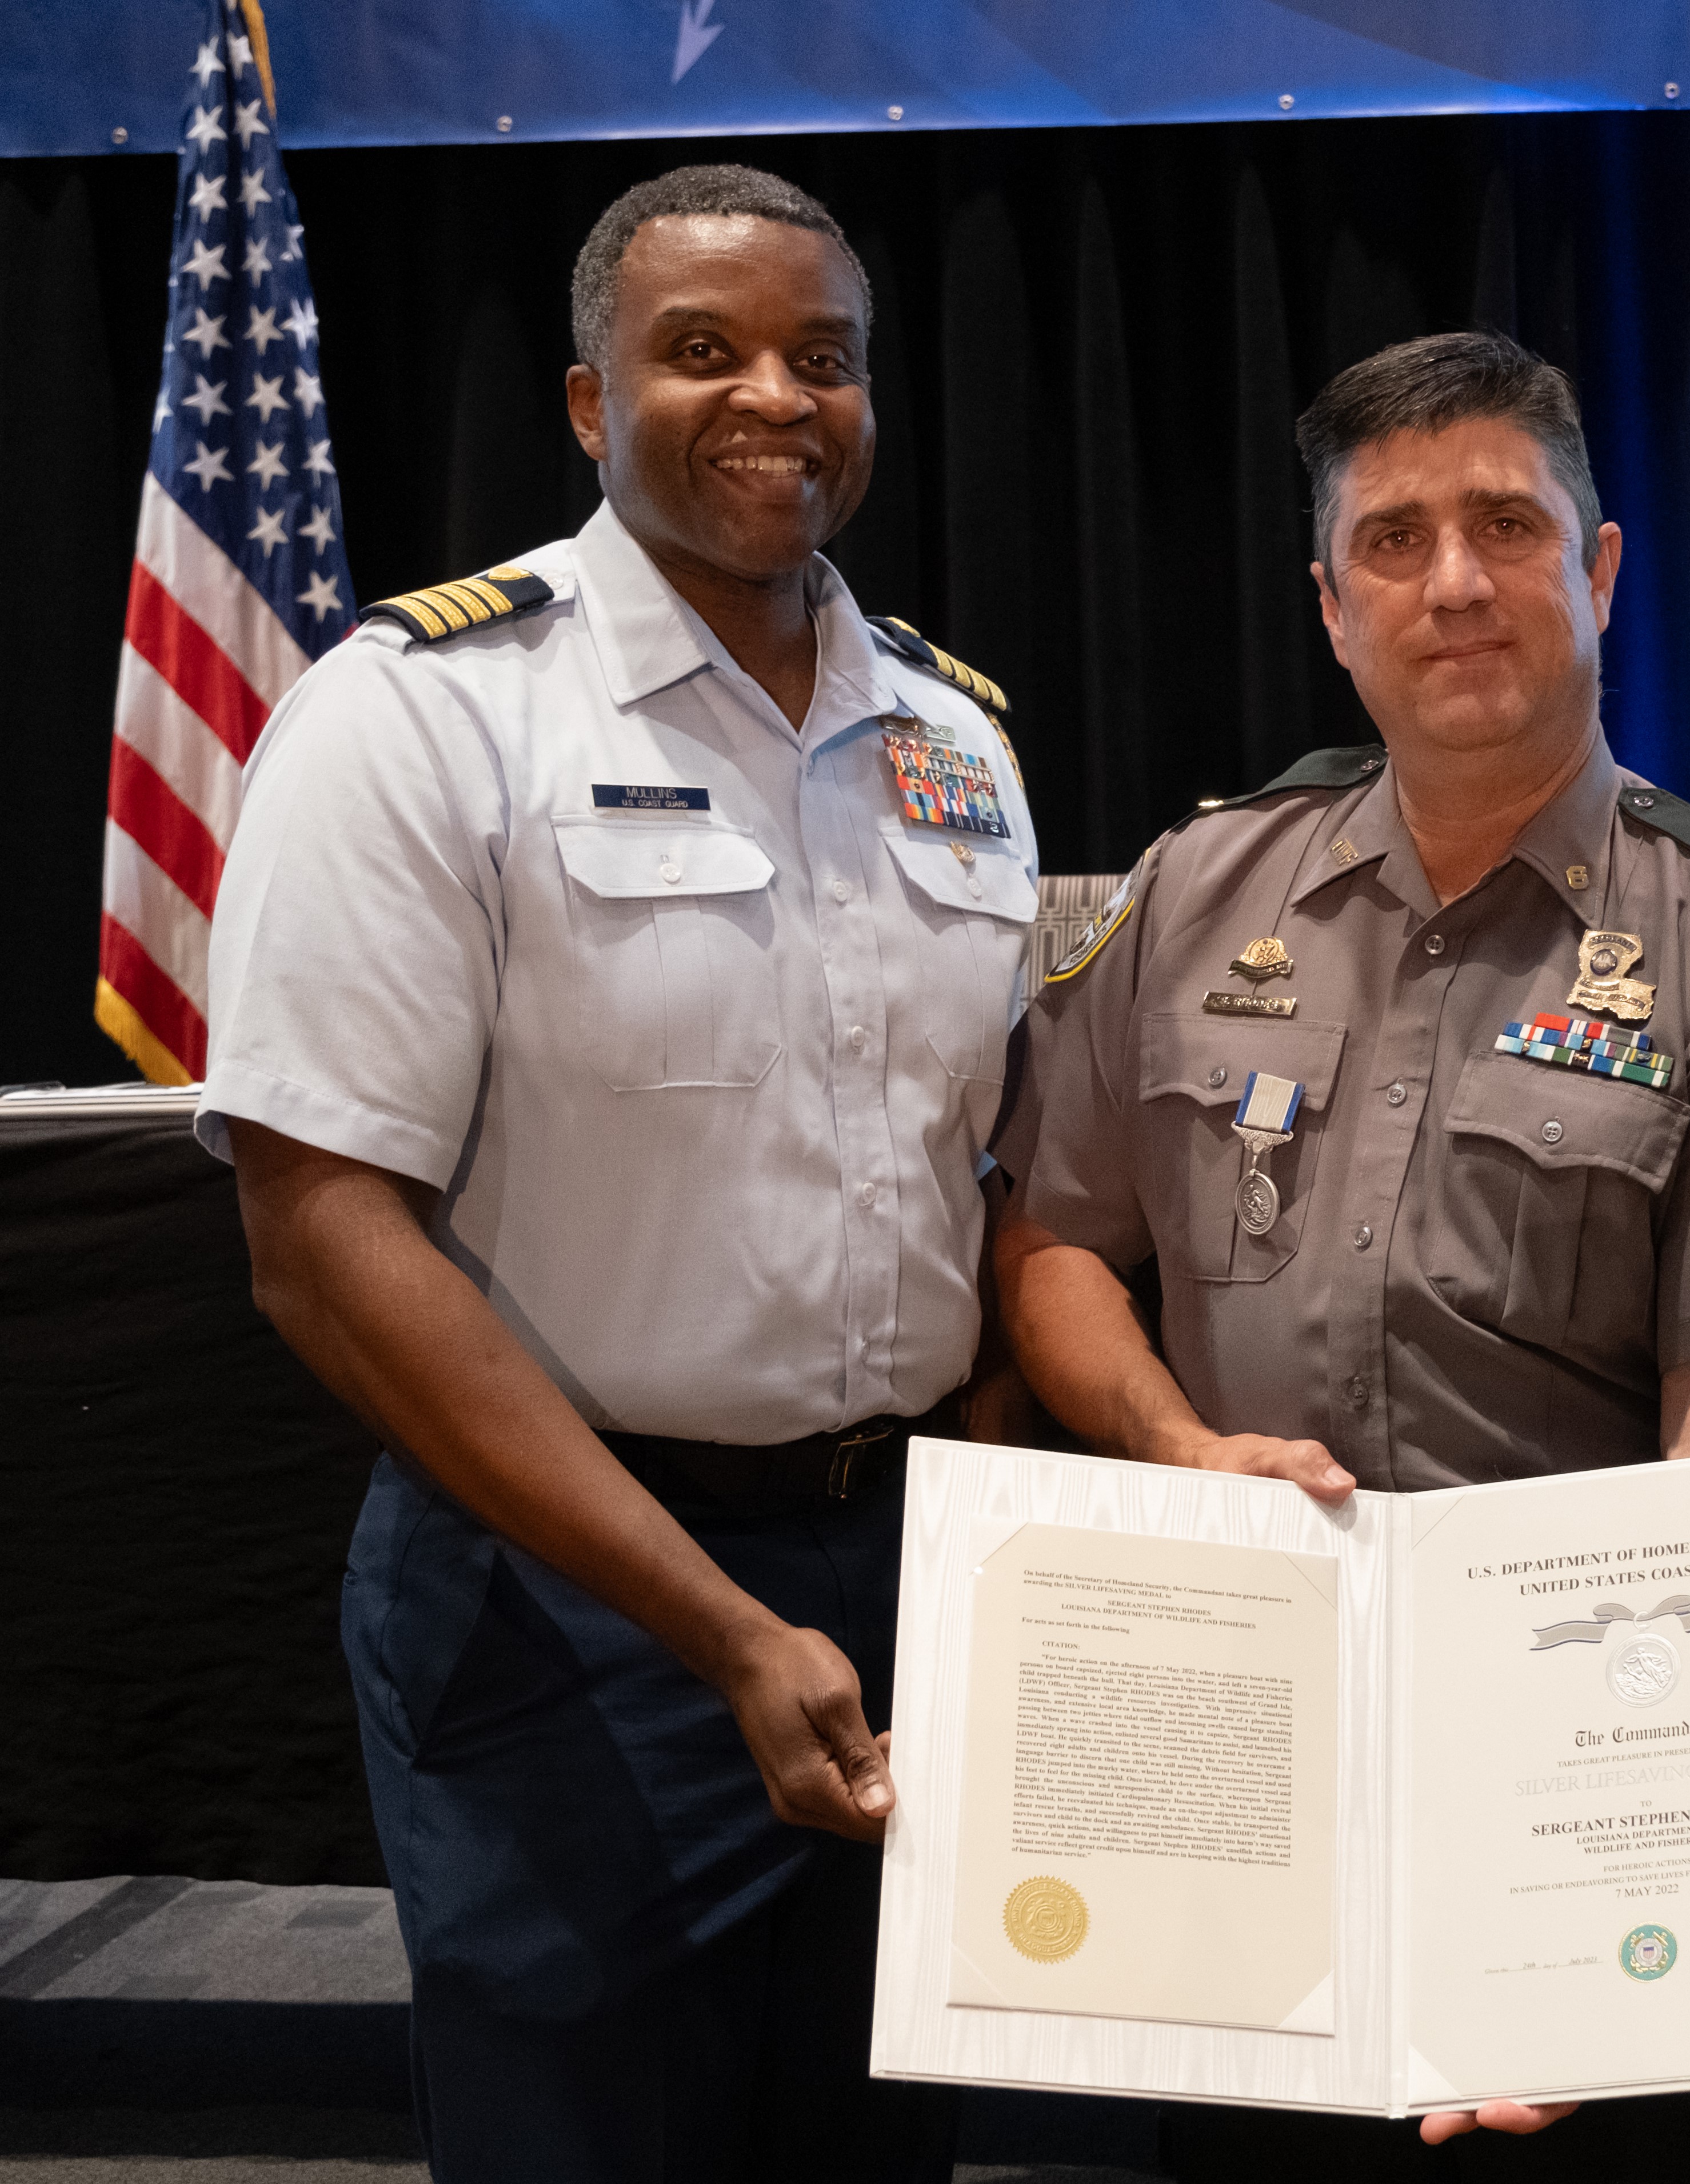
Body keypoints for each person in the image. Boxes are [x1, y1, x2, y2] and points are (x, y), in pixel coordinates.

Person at [198, 164, 1033, 2182]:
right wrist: (718, 1629)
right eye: (702, 351)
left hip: (902, 1574)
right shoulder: (420, 717)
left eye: (820, 358)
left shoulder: (958, 734)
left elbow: (983, 1181)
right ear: (589, 406)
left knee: (876, 2149)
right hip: (568, 1592)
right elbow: (319, 1240)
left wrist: (997, 1574)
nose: (775, 395)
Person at [989, 330, 1690, 2180]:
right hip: (1242, 1749)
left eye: (1504, 525)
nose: (1454, 582)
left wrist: (1605, 1765)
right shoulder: (1186, 895)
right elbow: (1056, 1247)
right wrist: (1177, 1454)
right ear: (1328, 604)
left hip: (1580, 1757)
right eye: (1393, 541)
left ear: (1600, 566)